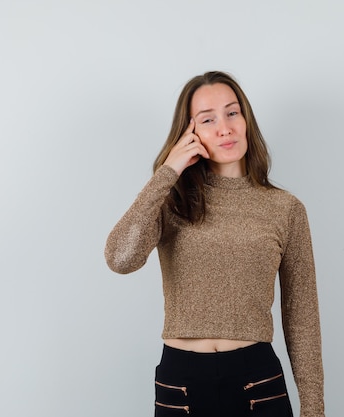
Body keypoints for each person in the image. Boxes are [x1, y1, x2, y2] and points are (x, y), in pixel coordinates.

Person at [105, 71, 325, 417]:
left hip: (258, 382)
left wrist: (314, 410)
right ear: (189, 133)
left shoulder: (285, 209)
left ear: (246, 119)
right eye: (208, 119)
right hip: (182, 386)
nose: (224, 127)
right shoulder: (170, 201)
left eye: (232, 113)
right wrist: (168, 171)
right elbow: (120, 258)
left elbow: (302, 317)